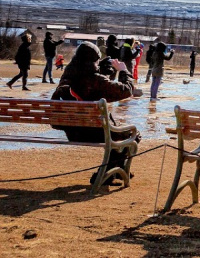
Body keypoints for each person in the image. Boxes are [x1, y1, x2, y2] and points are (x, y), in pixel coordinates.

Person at [50, 42, 140, 185]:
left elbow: (89, 87)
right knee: (132, 135)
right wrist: (123, 71)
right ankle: (104, 174)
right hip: (94, 133)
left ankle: (116, 169)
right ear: (93, 60)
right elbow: (125, 90)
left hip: (72, 131)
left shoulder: (68, 74)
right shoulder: (95, 80)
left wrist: (100, 70)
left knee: (115, 134)